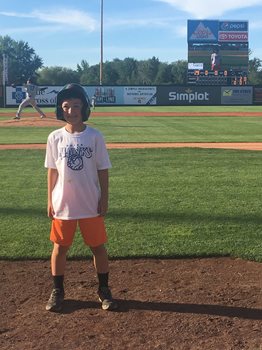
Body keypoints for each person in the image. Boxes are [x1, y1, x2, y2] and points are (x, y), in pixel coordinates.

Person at [44, 83, 117, 312]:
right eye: (66, 106)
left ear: (84, 107)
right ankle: (58, 290)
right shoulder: (55, 137)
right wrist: (49, 200)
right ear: (60, 109)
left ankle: (103, 290)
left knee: (98, 247)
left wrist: (104, 198)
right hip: (63, 204)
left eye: (76, 105)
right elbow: (52, 170)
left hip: (89, 203)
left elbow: (102, 170)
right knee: (60, 248)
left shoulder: (94, 136)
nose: (71, 110)